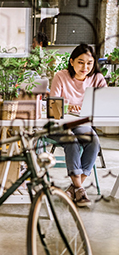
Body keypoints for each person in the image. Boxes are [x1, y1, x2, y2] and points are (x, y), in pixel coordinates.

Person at [49, 44, 107, 207]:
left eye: (89, 63)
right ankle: (80, 189)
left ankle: (75, 187)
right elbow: (54, 107)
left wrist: (85, 109)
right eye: (81, 62)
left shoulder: (97, 79)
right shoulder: (61, 76)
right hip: (59, 125)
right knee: (71, 141)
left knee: (93, 142)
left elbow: (104, 103)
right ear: (72, 61)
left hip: (82, 123)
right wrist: (69, 106)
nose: (85, 67)